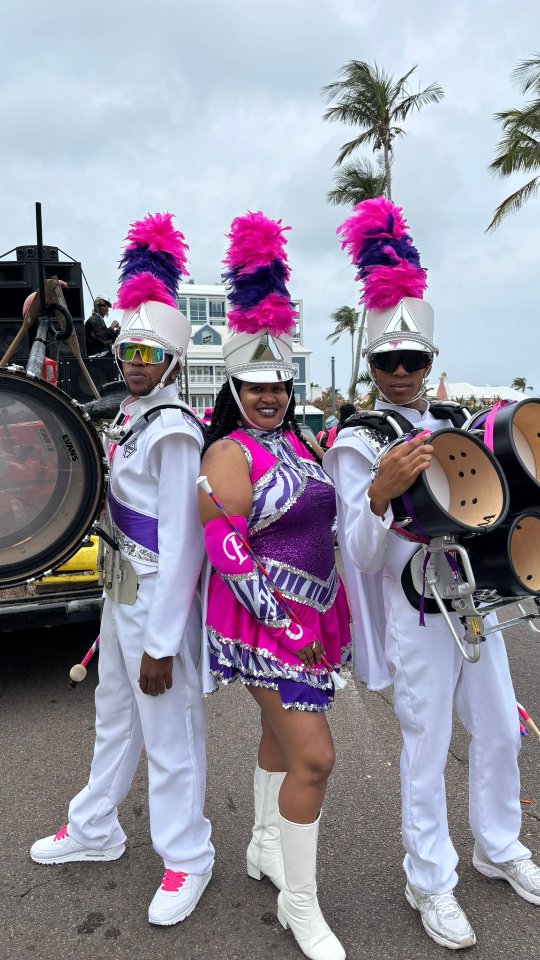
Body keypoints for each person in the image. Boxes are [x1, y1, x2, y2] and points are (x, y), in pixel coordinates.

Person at [325, 197, 540, 951]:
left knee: (500, 734)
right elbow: (361, 553)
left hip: (473, 602)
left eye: (415, 360)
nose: (403, 373)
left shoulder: (450, 422)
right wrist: (382, 494)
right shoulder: (358, 439)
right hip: (415, 610)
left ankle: (498, 844)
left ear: (430, 363)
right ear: (372, 364)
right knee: (424, 745)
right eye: (389, 361)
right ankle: (431, 879)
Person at [31, 213, 214, 926]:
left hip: (154, 599)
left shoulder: (173, 429)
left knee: (170, 733)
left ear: (170, 364)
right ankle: (97, 827)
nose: (135, 360)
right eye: (130, 348)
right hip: (120, 587)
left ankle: (187, 855)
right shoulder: (132, 416)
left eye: (149, 353)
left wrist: (164, 641)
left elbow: (185, 542)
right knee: (113, 717)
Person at [198, 212, 350, 960]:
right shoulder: (229, 451)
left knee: (275, 740)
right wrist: (281, 624)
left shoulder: (300, 441)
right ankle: (300, 905)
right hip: (260, 628)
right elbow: (225, 545)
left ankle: (263, 844)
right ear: (235, 384)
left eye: (279, 385)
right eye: (256, 385)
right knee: (314, 757)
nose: (269, 396)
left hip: (309, 623)